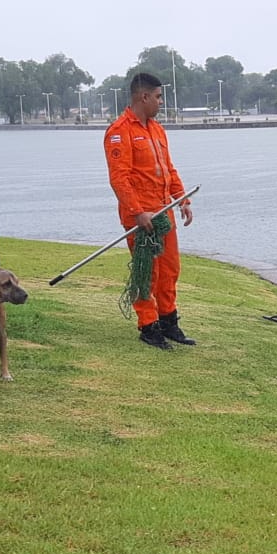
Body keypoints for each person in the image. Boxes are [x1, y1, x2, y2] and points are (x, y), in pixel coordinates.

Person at [104, 72, 195, 350]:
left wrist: (182, 198)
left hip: (164, 213)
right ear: (143, 96)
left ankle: (169, 321)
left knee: (169, 270)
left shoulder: (156, 129)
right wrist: (137, 211)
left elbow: (168, 168)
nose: (160, 101)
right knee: (147, 273)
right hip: (141, 218)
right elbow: (120, 179)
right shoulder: (119, 132)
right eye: (157, 97)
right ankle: (148, 325)